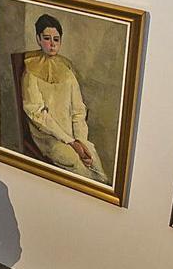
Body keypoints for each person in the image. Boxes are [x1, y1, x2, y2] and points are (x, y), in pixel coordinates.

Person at [21, 14, 108, 184]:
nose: (52, 43)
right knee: (74, 162)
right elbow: (37, 114)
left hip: (73, 135)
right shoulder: (30, 71)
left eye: (56, 39)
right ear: (38, 39)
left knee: (93, 156)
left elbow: (78, 109)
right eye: (47, 38)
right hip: (48, 137)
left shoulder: (67, 71)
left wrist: (81, 140)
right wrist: (71, 142)